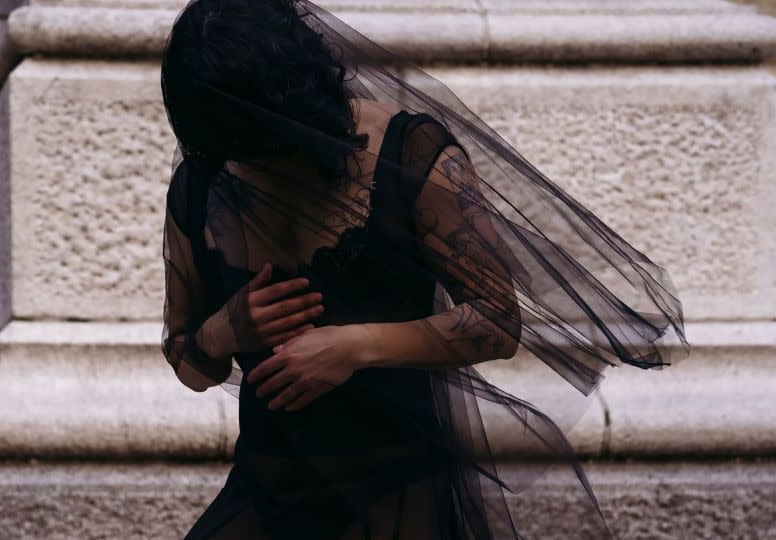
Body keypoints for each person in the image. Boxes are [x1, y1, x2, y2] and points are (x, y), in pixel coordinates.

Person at [159, 1, 690, 538]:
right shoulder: (205, 180)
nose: (244, 165)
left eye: (255, 142)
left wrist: (352, 348)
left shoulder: (408, 152)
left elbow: (498, 322)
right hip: (267, 492)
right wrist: (222, 331)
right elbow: (187, 363)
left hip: (397, 492)